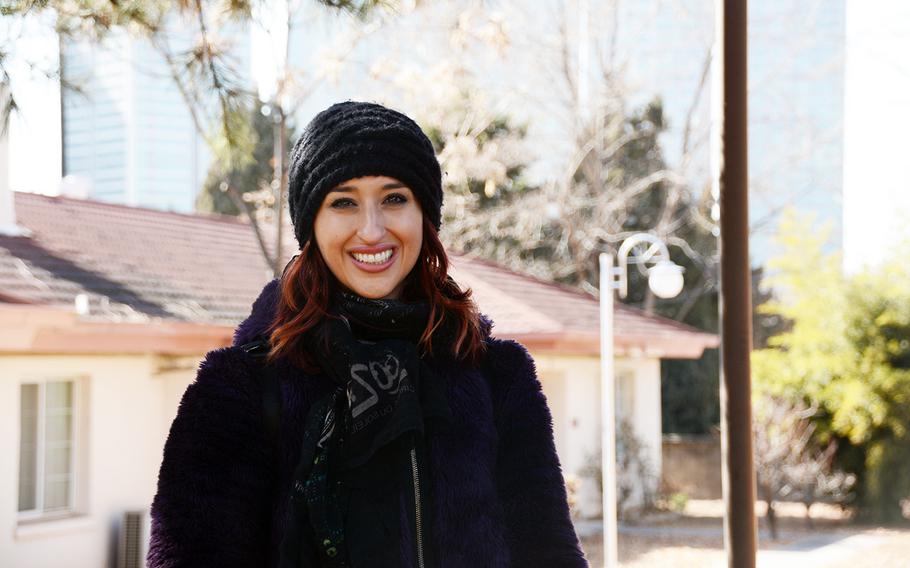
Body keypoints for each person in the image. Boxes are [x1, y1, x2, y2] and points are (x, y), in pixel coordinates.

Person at [147, 100, 587, 567]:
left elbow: (548, 552)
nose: (372, 230)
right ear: (311, 225)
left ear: (425, 215)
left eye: (395, 198)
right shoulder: (241, 386)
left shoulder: (498, 376)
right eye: (343, 202)